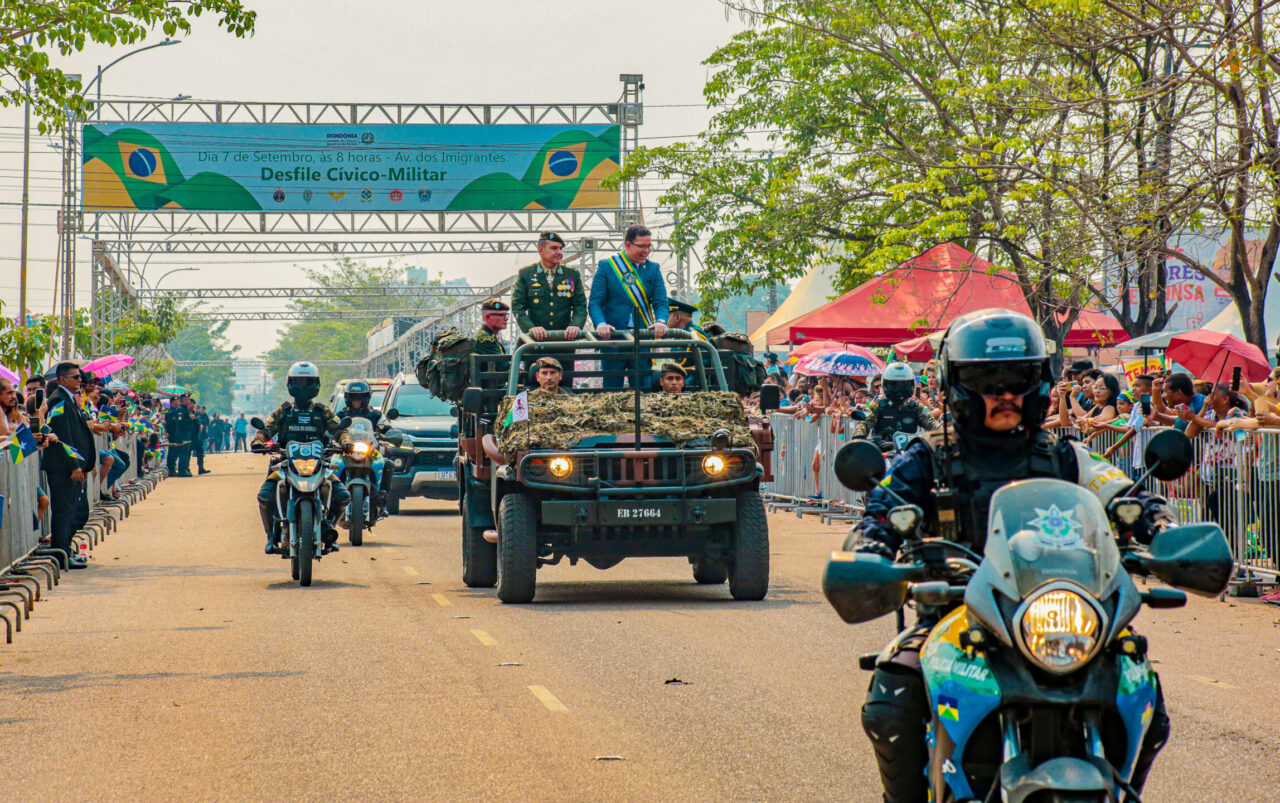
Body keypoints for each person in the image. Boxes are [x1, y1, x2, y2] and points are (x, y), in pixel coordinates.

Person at [848, 308, 1175, 802]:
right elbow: (881, 509)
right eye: (986, 379)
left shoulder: (1066, 456)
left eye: (1019, 378)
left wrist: (1164, 529)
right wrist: (872, 546)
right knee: (892, 695)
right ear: (954, 385)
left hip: (1063, 613)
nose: (1005, 394)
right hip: (956, 611)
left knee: (1141, 686)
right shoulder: (929, 458)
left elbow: (1125, 495)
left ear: (1039, 383)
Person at [251, 362, 352, 555]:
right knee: (264, 496)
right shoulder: (284, 411)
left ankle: (329, 527)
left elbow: (340, 431)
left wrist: (346, 442)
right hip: (283, 465)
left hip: (320, 465)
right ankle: (271, 535)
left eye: (308, 382)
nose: (303, 386)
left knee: (343, 496)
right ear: (291, 384)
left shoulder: (323, 412)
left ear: (316, 385)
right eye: (299, 381)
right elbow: (266, 430)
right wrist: (258, 441)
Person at [589, 224, 669, 388]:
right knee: (612, 392)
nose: (646, 251)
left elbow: (660, 302)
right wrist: (601, 324)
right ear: (628, 245)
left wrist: (661, 321)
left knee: (642, 390)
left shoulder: (653, 269)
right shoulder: (608, 266)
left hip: (642, 339)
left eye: (649, 246)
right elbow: (595, 302)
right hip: (613, 338)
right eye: (642, 246)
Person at [42, 362, 97, 569]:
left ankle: (65, 549)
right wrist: (74, 465)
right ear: (63, 379)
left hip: (71, 466)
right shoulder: (58, 400)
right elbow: (62, 436)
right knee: (63, 510)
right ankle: (61, 555)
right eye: (75, 377)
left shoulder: (69, 400)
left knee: (71, 510)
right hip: (62, 467)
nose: (80, 380)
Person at [510, 232, 587, 341]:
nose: (559, 252)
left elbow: (580, 305)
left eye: (560, 249)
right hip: (536, 342)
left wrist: (576, 325)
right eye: (554, 248)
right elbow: (518, 306)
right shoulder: (526, 274)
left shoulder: (572, 274)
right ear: (541, 250)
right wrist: (531, 328)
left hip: (564, 341)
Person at [851, 362, 938, 446]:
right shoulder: (877, 405)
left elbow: (932, 423)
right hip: (882, 452)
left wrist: (943, 432)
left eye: (904, 385)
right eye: (894, 385)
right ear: (885, 384)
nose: (899, 389)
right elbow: (865, 421)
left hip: (909, 453)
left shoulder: (916, 407)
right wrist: (859, 435)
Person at [193, 404, 211, 474]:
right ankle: (184, 469)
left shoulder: (205, 416)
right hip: (193, 435)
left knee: (200, 451)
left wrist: (206, 431)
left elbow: (206, 424)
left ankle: (201, 468)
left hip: (201, 433)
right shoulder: (195, 414)